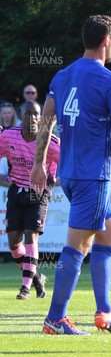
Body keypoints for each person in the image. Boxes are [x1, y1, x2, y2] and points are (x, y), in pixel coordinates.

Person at [30, 14, 111, 335]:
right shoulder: (110, 81)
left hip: (70, 173)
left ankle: (105, 313)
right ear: (105, 41)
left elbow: (46, 120)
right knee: (78, 246)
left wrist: (38, 164)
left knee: (109, 234)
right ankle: (55, 318)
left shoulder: (62, 76)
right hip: (93, 175)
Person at [0, 101, 59, 300]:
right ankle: (36, 278)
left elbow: (68, 162)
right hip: (16, 190)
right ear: (21, 115)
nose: (33, 118)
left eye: (36, 114)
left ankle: (24, 289)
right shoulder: (8, 136)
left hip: (39, 191)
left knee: (30, 235)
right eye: (28, 114)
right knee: (14, 244)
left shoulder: (50, 141)